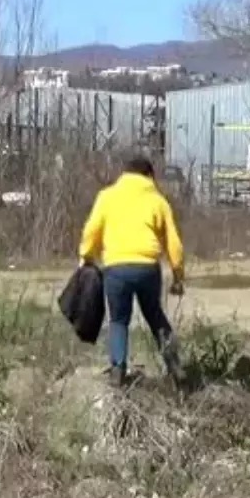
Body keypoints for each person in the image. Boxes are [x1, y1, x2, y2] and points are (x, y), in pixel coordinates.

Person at [78, 155, 185, 388]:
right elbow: (173, 242)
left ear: (124, 174)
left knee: (118, 319)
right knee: (155, 315)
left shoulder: (107, 197)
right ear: (150, 176)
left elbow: (92, 230)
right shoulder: (158, 201)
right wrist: (178, 275)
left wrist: (86, 256)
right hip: (147, 267)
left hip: (116, 268)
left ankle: (118, 368)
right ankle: (174, 365)